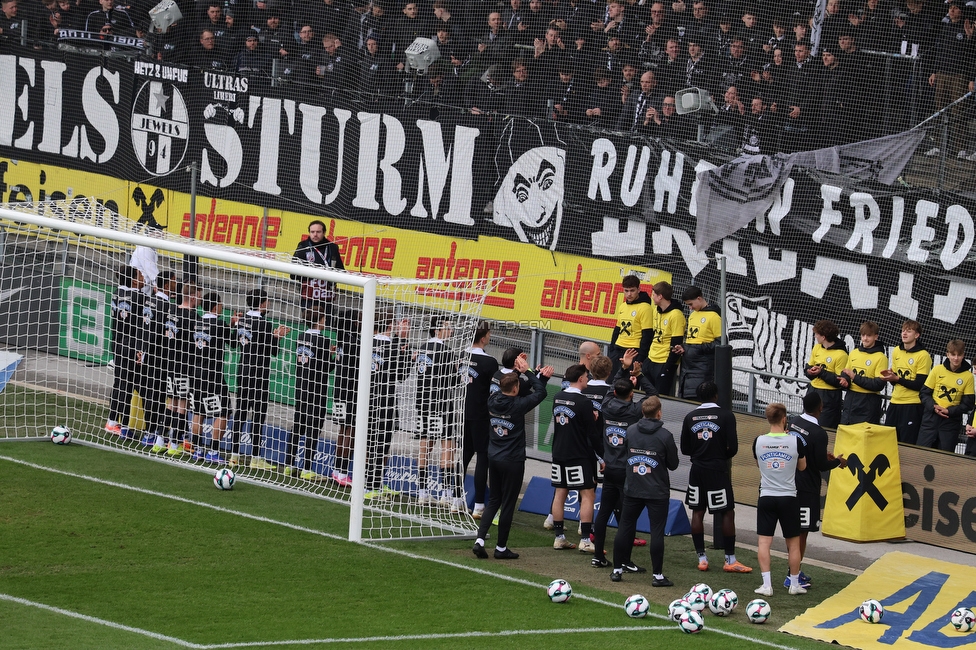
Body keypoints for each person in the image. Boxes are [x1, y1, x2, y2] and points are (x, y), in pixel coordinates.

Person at [472, 357, 554, 560]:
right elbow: (541, 392)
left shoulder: (492, 400)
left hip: (494, 456)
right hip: (513, 460)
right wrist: (529, 373)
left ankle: (480, 540)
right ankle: (501, 548)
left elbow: (509, 385)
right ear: (516, 389)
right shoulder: (519, 405)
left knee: (493, 500)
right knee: (507, 503)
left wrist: (519, 374)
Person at [592, 349, 657, 571]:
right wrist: (639, 375)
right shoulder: (634, 411)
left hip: (608, 466)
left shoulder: (607, 403)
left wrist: (624, 368)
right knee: (627, 519)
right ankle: (626, 561)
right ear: (631, 394)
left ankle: (598, 556)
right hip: (627, 470)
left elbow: (613, 386)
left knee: (603, 512)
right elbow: (653, 396)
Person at [681, 380, 751, 573]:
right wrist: (719, 457)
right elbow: (734, 447)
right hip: (717, 470)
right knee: (727, 512)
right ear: (716, 395)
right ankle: (730, 559)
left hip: (697, 470)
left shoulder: (690, 417)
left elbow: (685, 448)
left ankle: (702, 559)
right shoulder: (726, 415)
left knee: (697, 511)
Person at [609, 395, 679, 586]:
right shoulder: (665, 436)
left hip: (633, 488)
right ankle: (657, 576)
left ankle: (616, 570)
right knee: (656, 532)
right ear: (659, 412)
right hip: (657, 491)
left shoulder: (630, 431)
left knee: (624, 527)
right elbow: (673, 464)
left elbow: (623, 454)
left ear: (643, 412)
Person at [787, 391, 847, 590]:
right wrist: (838, 462)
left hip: (789, 482)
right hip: (807, 488)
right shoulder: (819, 432)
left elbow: (806, 453)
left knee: (793, 529)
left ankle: (794, 571)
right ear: (820, 408)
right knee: (802, 532)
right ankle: (792, 574)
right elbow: (821, 465)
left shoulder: (794, 421)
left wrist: (823, 457)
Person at [229, 288, 290, 470]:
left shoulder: (242, 320)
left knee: (240, 413)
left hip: (243, 372)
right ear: (262, 303)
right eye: (267, 301)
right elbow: (273, 351)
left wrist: (234, 324)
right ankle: (256, 457)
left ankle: (234, 456)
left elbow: (233, 343)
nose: (269, 304)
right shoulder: (264, 324)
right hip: (259, 375)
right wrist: (277, 337)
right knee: (258, 415)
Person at [753, 402, 807, 597]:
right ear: (784, 419)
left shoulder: (758, 441)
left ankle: (767, 585)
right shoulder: (795, 441)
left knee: (764, 542)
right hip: (788, 497)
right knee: (793, 543)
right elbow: (802, 467)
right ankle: (794, 584)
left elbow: (760, 464)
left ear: (768, 419)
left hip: (767, 495)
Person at [550, 363, 603, 552]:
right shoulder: (584, 402)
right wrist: (602, 457)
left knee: (560, 493)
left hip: (558, 452)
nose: (587, 379)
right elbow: (592, 434)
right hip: (579, 454)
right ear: (580, 378)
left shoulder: (558, 396)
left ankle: (559, 537)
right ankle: (586, 539)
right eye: (586, 376)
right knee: (588, 494)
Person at [415, 317, 464, 511]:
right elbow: (453, 382)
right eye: (447, 327)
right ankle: (446, 493)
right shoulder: (446, 351)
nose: (450, 330)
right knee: (447, 446)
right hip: (441, 402)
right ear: (438, 330)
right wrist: (458, 368)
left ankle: (422, 492)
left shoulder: (421, 347)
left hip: (422, 402)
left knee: (425, 445)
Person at [364, 310, 412, 500]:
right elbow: (402, 375)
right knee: (382, 443)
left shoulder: (367, 342)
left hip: (367, 398)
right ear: (391, 326)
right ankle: (371, 486)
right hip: (385, 400)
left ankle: (371, 483)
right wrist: (406, 349)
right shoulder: (393, 347)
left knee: (369, 442)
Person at [284, 308, 333, 479]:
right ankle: (306, 469)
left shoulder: (301, 337)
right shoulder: (323, 340)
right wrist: (332, 356)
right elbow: (326, 368)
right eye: (324, 318)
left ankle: (289, 464)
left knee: (298, 425)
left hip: (301, 387)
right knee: (313, 428)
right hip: (316, 389)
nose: (325, 321)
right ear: (319, 320)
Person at [190, 292, 237, 464]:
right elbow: (233, 343)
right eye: (220, 303)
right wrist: (236, 326)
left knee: (198, 412)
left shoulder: (197, 322)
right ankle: (214, 451)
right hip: (213, 375)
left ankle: (197, 450)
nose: (222, 306)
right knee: (224, 412)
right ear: (215, 305)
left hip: (196, 373)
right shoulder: (218, 324)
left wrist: (229, 324)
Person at [156, 281, 202, 456]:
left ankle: (160, 440)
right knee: (182, 406)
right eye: (198, 295)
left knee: (171, 404)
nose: (200, 299)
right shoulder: (193, 318)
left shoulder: (171, 311)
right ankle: (174, 444)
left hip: (170, 363)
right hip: (184, 365)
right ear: (192, 296)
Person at [463, 322, 498, 520]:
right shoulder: (489, 362)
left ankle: (455, 499)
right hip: (481, 415)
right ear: (483, 337)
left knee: (464, 455)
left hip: (461, 413)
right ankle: (478, 505)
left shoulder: (461, 356)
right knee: (482, 457)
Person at [106, 266, 145, 437]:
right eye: (140, 276)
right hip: (130, 345)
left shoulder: (116, 293)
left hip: (117, 343)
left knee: (123, 384)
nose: (144, 279)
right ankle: (113, 422)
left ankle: (120, 424)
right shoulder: (138, 297)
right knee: (125, 385)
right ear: (133, 280)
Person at [918, 339, 975, 452]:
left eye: (959, 355)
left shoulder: (968, 376)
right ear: (947, 354)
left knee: (944, 459)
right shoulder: (937, 369)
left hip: (950, 423)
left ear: (963, 355)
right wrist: (934, 407)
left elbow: (968, 404)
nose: (956, 358)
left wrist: (949, 411)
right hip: (930, 420)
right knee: (922, 454)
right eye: (953, 354)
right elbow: (924, 393)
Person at [880, 320, 931, 445]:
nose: (904, 334)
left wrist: (897, 379)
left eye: (909, 331)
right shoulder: (897, 350)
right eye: (903, 331)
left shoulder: (923, 355)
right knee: (887, 440)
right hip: (895, 402)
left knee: (906, 442)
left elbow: (920, 385)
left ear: (917, 335)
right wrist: (891, 377)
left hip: (912, 405)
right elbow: (896, 382)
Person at [330, 308, 361, 487]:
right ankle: (342, 472)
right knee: (350, 430)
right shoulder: (354, 342)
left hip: (339, 391)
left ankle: (337, 470)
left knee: (343, 430)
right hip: (350, 390)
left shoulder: (342, 339)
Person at [292, 220, 345, 323]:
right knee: (310, 323)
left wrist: (331, 276)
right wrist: (314, 274)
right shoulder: (303, 246)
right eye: (312, 232)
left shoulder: (332, 247)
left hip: (327, 297)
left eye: (318, 232)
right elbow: (293, 274)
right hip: (309, 296)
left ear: (324, 232)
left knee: (326, 324)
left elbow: (341, 270)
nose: (315, 234)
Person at [674, 286, 721, 399]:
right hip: (687, 367)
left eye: (691, 304)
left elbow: (720, 344)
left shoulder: (714, 317)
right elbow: (692, 340)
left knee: (699, 398)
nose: (690, 308)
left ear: (699, 298)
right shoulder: (693, 315)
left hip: (703, 368)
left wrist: (697, 349)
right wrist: (683, 347)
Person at [838, 321, 888, 425]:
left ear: (876, 337)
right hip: (851, 400)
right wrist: (845, 381)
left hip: (868, 404)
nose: (865, 338)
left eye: (869, 336)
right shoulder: (854, 352)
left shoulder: (881, 357)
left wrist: (855, 377)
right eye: (863, 335)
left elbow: (878, 384)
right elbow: (846, 372)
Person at [607, 274, 654, 381]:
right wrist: (612, 350)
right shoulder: (623, 306)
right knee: (611, 381)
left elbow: (647, 335)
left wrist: (641, 357)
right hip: (618, 350)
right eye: (626, 291)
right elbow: (617, 330)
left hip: (633, 352)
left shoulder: (645, 307)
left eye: (632, 290)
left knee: (627, 384)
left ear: (639, 289)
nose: (629, 294)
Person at [804, 319, 847, 429]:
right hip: (813, 390)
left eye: (817, 334)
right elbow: (808, 367)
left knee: (824, 428)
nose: (815, 337)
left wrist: (821, 372)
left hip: (829, 396)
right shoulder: (817, 347)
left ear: (823, 337)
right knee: (807, 425)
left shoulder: (841, 354)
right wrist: (810, 371)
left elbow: (839, 381)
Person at [646, 280, 685, 395]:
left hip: (664, 361)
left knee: (660, 396)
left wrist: (667, 367)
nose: (652, 297)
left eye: (653, 294)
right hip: (651, 359)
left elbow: (676, 343)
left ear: (660, 296)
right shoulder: (656, 311)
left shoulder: (676, 315)